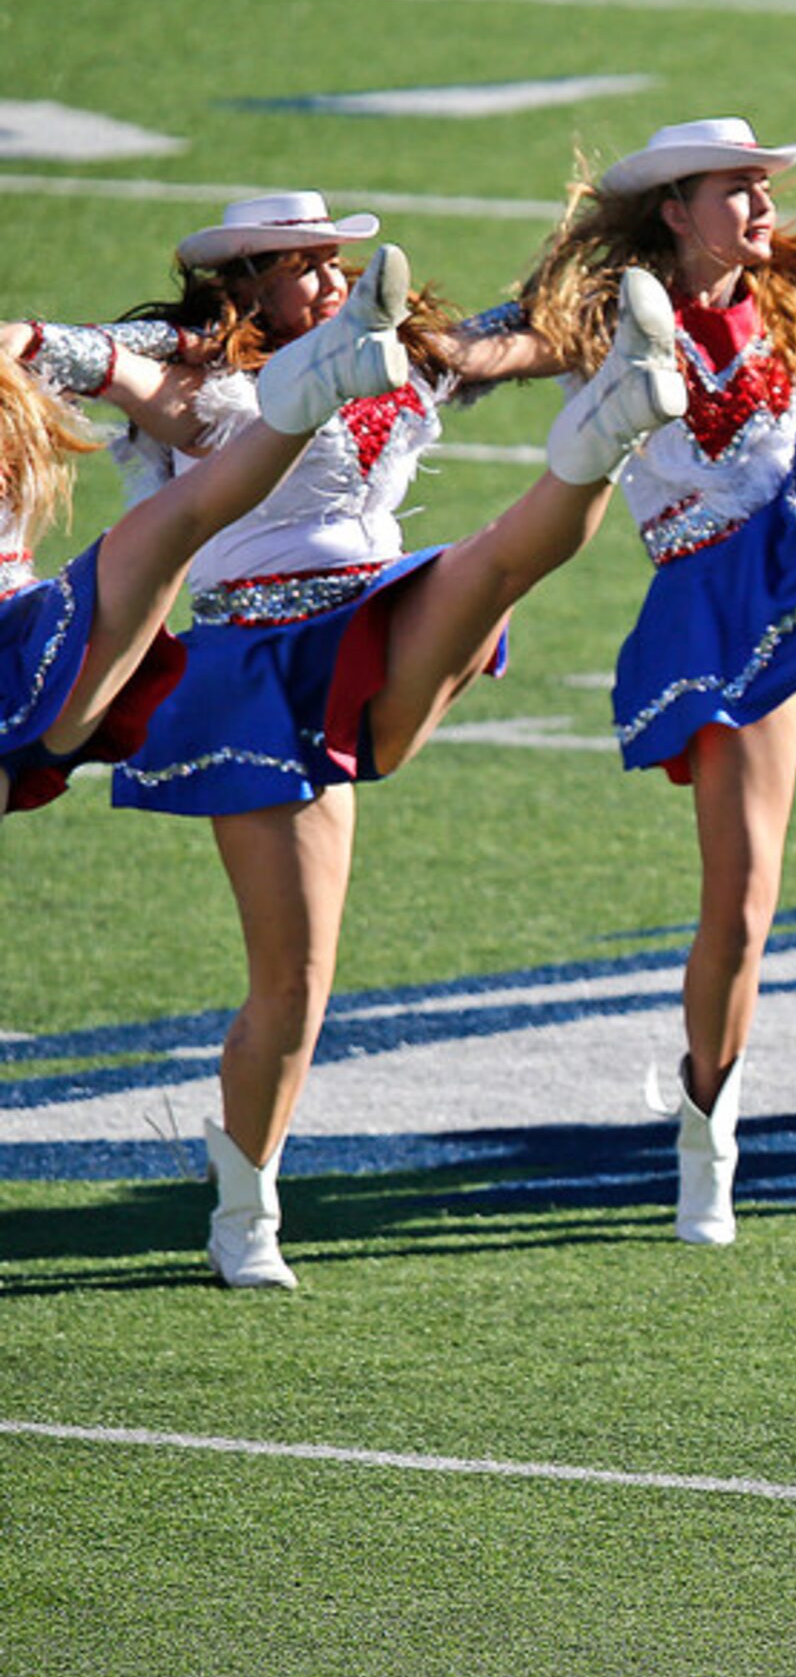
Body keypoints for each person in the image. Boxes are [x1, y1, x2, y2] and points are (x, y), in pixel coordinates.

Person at [66, 199, 683, 1289]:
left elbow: (522, 337)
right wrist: (47, 348)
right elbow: (89, 365)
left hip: (379, 609)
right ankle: (246, 1200)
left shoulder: (395, 357)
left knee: (490, 566)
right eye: (302, 268)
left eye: (335, 263)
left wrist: (644, 290)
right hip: (257, 660)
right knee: (295, 984)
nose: (330, 279)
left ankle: (606, 435)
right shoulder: (203, 389)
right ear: (243, 284)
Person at [478, 0, 796, 1241]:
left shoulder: (794, 306)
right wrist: (397, 347)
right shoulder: (603, 322)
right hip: (721, 600)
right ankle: (710, 1125)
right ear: (675, 214)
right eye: (735, 190)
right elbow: (495, 353)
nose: (759, 205)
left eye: (762, 186)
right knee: (741, 906)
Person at [1, 309, 402, 819]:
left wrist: (35, 335)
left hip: (25, 633)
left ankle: (313, 393)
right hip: (30, 655)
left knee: (163, 533)